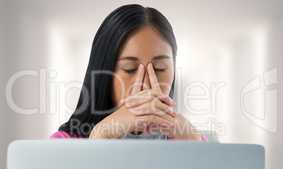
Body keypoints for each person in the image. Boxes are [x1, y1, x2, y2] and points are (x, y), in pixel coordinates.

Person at [50, 4, 208, 141]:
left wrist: (195, 149)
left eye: (160, 68)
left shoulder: (194, 140)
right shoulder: (63, 144)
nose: (146, 86)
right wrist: (101, 136)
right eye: (130, 69)